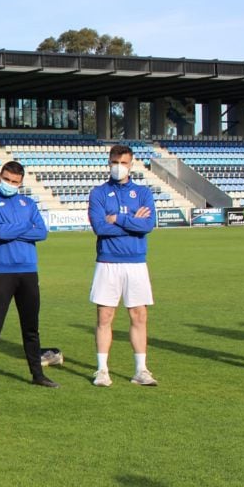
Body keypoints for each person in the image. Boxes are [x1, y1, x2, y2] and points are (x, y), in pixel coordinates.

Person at [0, 161, 59, 395]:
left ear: (21, 182)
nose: (10, 184)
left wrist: (13, 228)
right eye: (7, 179)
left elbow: (42, 232)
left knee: (31, 328)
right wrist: (25, 226)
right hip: (0, 272)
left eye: (15, 181)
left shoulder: (28, 203)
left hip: (28, 271)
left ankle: (38, 375)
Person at [88, 144, 157, 387]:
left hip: (136, 263)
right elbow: (99, 227)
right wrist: (131, 222)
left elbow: (148, 226)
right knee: (105, 316)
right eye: (115, 162)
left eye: (124, 163)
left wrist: (117, 218)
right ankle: (102, 370)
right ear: (109, 162)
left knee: (139, 316)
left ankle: (141, 370)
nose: (119, 167)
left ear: (131, 164)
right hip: (108, 261)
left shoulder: (143, 193)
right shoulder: (97, 193)